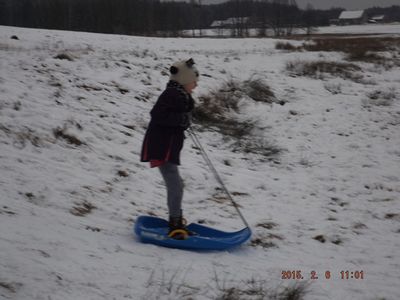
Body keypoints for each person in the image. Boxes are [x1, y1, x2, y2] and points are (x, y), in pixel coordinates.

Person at [140, 58, 199, 240]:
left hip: (166, 146)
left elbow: (178, 113)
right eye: (193, 81)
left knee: (176, 184)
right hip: (161, 147)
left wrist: (183, 118)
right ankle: (175, 223)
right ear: (183, 81)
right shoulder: (171, 94)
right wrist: (181, 120)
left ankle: (176, 218)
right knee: (176, 185)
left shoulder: (178, 94)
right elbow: (157, 115)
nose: (196, 85)